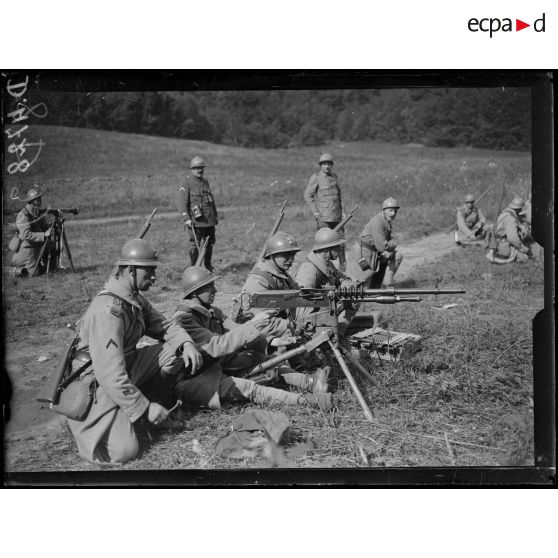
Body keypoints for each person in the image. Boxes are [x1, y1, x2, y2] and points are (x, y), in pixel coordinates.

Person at [65, 238, 203, 466]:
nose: (154, 277)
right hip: (96, 382)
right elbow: (109, 374)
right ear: (130, 270)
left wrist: (186, 344)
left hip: (123, 368)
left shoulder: (133, 299)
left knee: (173, 351)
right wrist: (145, 408)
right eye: (149, 271)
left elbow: (164, 325)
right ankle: (93, 421)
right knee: (124, 452)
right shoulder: (108, 310)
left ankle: (145, 416)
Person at [168, 267, 333, 412]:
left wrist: (270, 342)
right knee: (250, 388)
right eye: (209, 287)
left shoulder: (211, 311)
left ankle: (310, 383)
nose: (215, 290)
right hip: (194, 379)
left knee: (263, 360)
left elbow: (234, 329)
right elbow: (216, 346)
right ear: (195, 291)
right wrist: (254, 324)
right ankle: (308, 402)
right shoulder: (185, 318)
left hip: (215, 364)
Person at [295, 228, 358, 336]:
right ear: (326, 249)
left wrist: (347, 288)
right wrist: (335, 305)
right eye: (336, 247)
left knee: (354, 297)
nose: (339, 251)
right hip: (313, 318)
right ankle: (322, 337)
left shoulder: (327, 264)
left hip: (327, 308)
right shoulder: (309, 269)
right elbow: (304, 304)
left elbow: (343, 278)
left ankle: (338, 333)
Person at [237, 232, 301, 335]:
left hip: (279, 327)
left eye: (293, 255)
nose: (291, 259)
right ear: (272, 256)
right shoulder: (258, 281)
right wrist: (297, 326)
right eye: (286, 255)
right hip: (257, 337)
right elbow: (262, 324)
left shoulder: (281, 274)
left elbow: (298, 295)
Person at [303, 153, 346, 269]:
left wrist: (343, 211)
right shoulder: (316, 178)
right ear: (320, 165)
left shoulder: (334, 178)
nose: (326, 166)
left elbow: (339, 196)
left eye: (329, 164)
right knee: (323, 244)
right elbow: (308, 195)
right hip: (324, 217)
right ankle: (321, 267)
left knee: (341, 242)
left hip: (337, 217)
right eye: (324, 164)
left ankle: (343, 267)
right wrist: (315, 211)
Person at [178, 156, 218, 270]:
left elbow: (210, 199)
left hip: (209, 220)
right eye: (196, 168)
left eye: (201, 168)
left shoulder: (205, 181)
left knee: (209, 243)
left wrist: (214, 216)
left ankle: (207, 265)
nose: (200, 170)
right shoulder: (187, 183)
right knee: (194, 245)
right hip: (196, 221)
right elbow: (182, 202)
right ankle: (194, 268)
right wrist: (186, 218)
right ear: (192, 169)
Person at [357, 197, 403, 288]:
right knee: (363, 288)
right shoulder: (378, 221)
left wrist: (387, 247)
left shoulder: (385, 220)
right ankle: (378, 286)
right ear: (384, 210)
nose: (393, 213)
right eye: (390, 210)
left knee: (397, 255)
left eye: (395, 211)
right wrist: (394, 243)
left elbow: (383, 245)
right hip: (365, 255)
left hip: (374, 253)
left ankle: (386, 285)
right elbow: (382, 246)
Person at [10, 186, 55, 276]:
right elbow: (26, 234)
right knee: (34, 274)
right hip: (26, 249)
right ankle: (13, 271)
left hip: (35, 247)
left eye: (40, 198)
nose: (40, 201)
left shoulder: (37, 213)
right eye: (37, 199)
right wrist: (44, 235)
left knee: (51, 250)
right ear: (31, 201)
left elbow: (44, 226)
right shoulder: (23, 215)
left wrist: (52, 224)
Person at [487, 196, 533, 264]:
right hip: (505, 246)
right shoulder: (510, 218)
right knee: (526, 258)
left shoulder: (505, 214)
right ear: (518, 209)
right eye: (520, 209)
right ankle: (504, 258)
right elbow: (512, 238)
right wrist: (524, 249)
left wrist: (520, 226)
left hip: (500, 243)